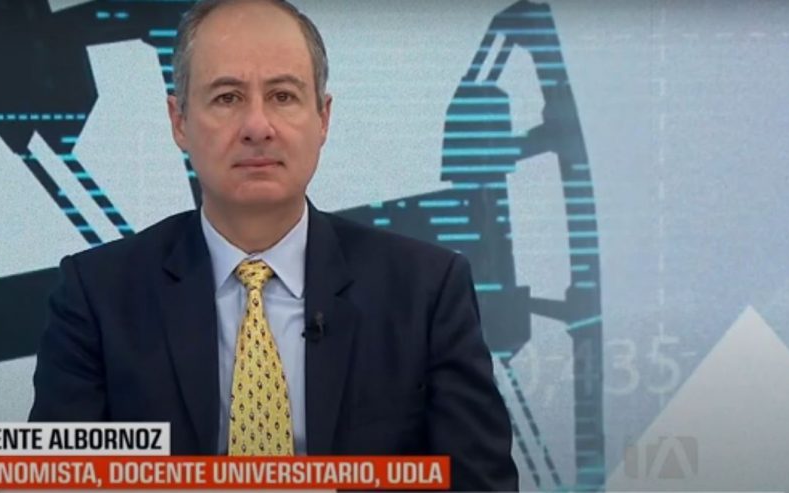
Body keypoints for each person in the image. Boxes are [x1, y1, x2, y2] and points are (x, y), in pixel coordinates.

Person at [29, 0, 518, 489]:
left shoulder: (426, 291)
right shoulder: (97, 296)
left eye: (283, 96)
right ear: (179, 121)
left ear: (323, 118)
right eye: (227, 98)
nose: (257, 127)